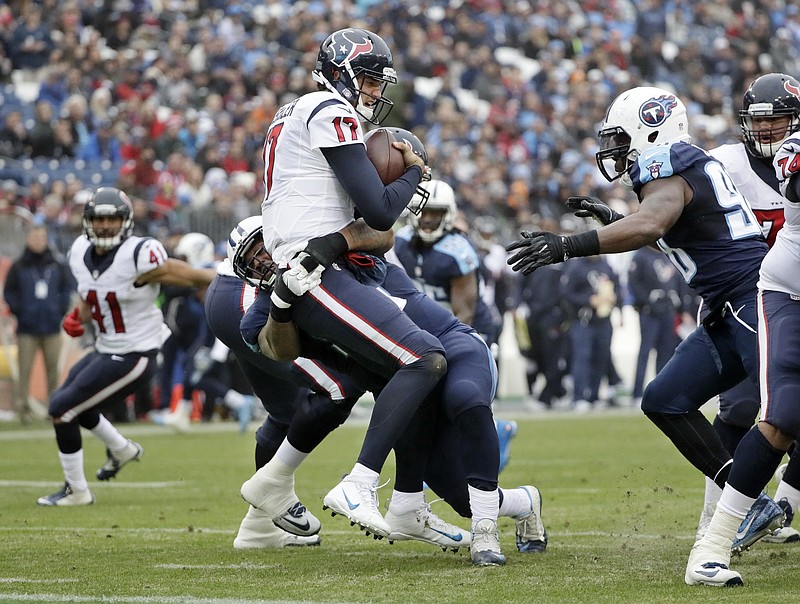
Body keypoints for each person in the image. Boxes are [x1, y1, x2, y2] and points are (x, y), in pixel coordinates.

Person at [506, 86, 784, 563]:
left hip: (750, 297)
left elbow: (652, 225)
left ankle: (755, 501)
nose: (613, 149)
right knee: (664, 400)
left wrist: (567, 245)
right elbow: (674, 235)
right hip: (725, 306)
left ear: (650, 127)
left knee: (787, 408)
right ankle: (751, 500)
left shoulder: (669, 159)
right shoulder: (682, 166)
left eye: (619, 137)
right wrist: (615, 218)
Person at [236, 220, 547, 566]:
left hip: (449, 348)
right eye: (251, 259)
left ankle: (484, 534)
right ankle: (525, 502)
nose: (262, 260)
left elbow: (380, 233)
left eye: (262, 247)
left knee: (465, 398)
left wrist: (324, 251)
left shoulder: (341, 263)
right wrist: (281, 302)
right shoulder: (263, 311)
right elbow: (277, 348)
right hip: (414, 389)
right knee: (464, 498)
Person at [254, 27, 447, 540]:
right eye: (365, 77)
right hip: (311, 269)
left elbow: (360, 213)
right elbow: (381, 213)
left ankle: (402, 502)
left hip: (309, 262)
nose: (374, 90)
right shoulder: (327, 110)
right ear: (338, 72)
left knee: (391, 380)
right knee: (423, 358)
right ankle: (359, 483)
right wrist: (416, 171)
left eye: (378, 81)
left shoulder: (297, 112)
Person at [36, 188, 216, 506]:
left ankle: (77, 491)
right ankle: (121, 449)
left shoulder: (139, 254)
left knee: (62, 409)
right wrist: (78, 317)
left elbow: (185, 275)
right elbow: (89, 293)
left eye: (112, 219)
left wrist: (227, 278)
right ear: (88, 222)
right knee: (75, 404)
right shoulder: (79, 251)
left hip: (136, 353)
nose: (105, 226)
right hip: (106, 347)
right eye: (99, 219)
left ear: (126, 222)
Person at [683, 122, 800, 587]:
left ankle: (783, 505)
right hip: (785, 292)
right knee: (779, 412)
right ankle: (712, 543)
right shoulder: (790, 149)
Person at [391, 178, 517, 472]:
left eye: (436, 212)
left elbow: (465, 313)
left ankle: (494, 439)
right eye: (424, 211)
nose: (429, 218)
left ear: (448, 214)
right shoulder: (401, 242)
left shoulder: (457, 250)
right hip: (430, 326)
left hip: (469, 330)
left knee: (466, 399)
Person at [151, 232, 256, 432]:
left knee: (195, 376)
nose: (181, 262)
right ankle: (181, 414)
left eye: (184, 257)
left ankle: (239, 402)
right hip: (209, 330)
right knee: (189, 369)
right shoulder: (212, 269)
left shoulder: (211, 271)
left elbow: (181, 291)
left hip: (216, 333)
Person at [3, 224, 74, 423]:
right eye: (34, 237)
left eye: (41, 237)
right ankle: (23, 410)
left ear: (46, 239)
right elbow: (9, 292)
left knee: (54, 370)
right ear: (28, 239)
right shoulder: (19, 266)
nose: (38, 241)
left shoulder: (56, 264)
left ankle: (54, 407)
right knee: (24, 370)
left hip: (51, 325)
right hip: (27, 327)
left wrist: (59, 310)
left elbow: (66, 289)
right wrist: (20, 311)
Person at [627, 245, 682, 406]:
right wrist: (647, 301)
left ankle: (662, 392)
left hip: (668, 310)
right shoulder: (641, 255)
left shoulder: (667, 254)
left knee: (666, 352)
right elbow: (633, 282)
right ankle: (637, 393)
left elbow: (677, 281)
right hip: (648, 312)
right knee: (645, 351)